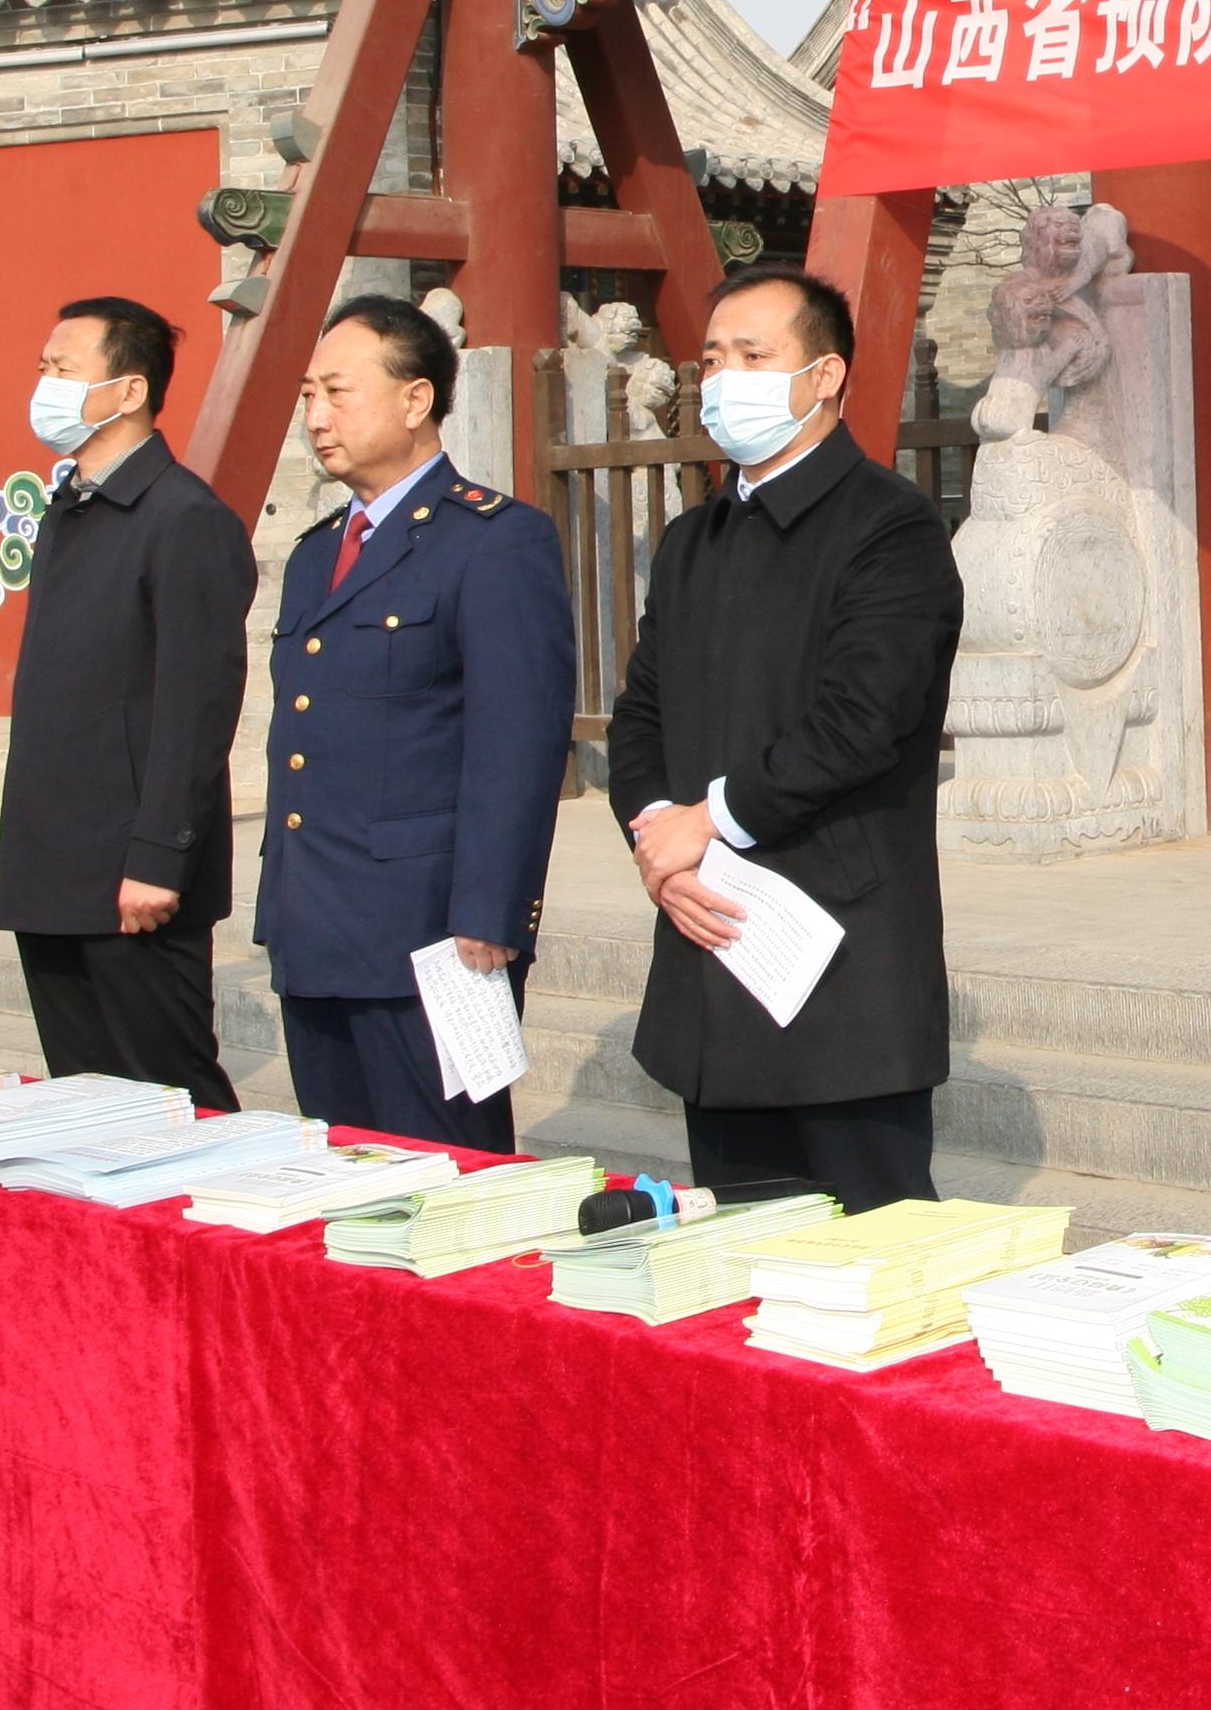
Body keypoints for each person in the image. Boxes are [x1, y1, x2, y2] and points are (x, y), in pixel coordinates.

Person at [607, 267, 961, 1213]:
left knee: (871, 1273)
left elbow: (860, 722)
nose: (725, 380)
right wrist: (659, 836)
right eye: (713, 359)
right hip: (710, 942)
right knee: (740, 1267)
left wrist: (708, 821)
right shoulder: (694, 541)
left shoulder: (891, 526)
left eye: (755, 357)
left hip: (840, 964)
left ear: (825, 376)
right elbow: (640, 711)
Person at [254, 295, 572, 1148]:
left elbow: (518, 743)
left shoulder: (493, 541)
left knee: (444, 1173)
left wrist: (490, 910)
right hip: (314, 917)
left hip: (431, 933)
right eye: (308, 396)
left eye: (338, 392)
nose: (317, 417)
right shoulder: (319, 550)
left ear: (415, 399)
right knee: (343, 1172)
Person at [0, 296, 257, 1107]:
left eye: (62, 369)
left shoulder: (183, 517)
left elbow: (196, 706)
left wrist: (158, 856)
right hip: (54, 864)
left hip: (131, 878)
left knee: (168, 1095)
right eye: (43, 368)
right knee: (83, 1102)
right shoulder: (70, 509)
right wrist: (16, 843)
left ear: (129, 390)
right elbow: (49, 701)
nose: (44, 384)